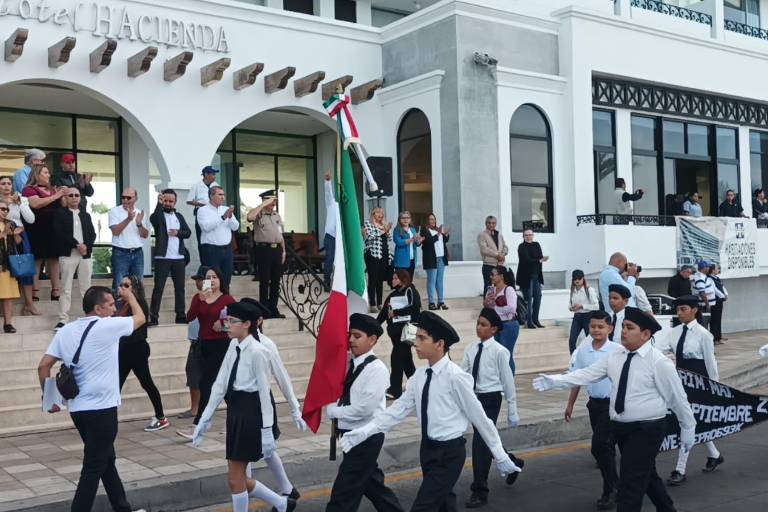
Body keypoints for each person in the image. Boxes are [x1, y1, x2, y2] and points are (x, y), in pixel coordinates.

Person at [340, 311, 521, 511]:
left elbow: (480, 419)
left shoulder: (456, 377)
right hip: (427, 450)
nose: (415, 343)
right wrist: (364, 432)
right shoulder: (419, 377)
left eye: (422, 338)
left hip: (449, 454)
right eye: (416, 336)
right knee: (444, 505)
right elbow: (395, 412)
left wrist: (500, 456)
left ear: (439, 344)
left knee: (424, 506)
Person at [533, 307, 696, 512]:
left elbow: (678, 399)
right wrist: (556, 381)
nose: (624, 331)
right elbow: (587, 375)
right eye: (623, 327)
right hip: (621, 428)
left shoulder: (659, 363)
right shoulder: (615, 356)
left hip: (647, 430)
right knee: (646, 475)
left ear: (645, 334)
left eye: (630, 327)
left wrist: (688, 428)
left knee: (630, 485)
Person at [37, 285, 147, 512]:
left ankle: (122, 507)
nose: (115, 308)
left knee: (106, 460)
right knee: (94, 467)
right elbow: (141, 318)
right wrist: (130, 297)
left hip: (78, 409)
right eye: (110, 305)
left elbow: (44, 365)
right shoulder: (106, 325)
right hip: (102, 408)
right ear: (98, 309)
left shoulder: (66, 330)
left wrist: (50, 399)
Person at [191, 301, 297, 512]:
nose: (227, 325)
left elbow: (265, 394)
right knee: (236, 477)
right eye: (226, 320)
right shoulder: (233, 346)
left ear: (248, 323)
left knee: (235, 476)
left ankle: (283, 500)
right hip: (236, 410)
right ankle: (283, 502)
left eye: (232, 321)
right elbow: (220, 384)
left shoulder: (260, 350)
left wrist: (268, 429)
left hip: (251, 411)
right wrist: (204, 418)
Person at [325, 313, 405, 512]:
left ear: (372, 340)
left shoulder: (376, 369)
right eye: (350, 335)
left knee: (343, 494)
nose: (351, 340)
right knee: (372, 485)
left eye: (357, 336)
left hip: (366, 436)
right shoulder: (351, 363)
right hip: (351, 435)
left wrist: (335, 411)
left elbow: (364, 409)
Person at [240, 298, 306, 500]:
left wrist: (295, 407)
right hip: (240, 404)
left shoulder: (267, 345)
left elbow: (282, 376)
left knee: (251, 450)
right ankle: (286, 489)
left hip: (260, 404)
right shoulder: (235, 341)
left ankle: (246, 489)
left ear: (257, 321)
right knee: (255, 449)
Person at [654, 295, 723, 487]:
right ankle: (714, 454)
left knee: (688, 422)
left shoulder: (703, 334)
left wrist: (714, 388)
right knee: (691, 421)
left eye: (683, 309)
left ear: (694, 310)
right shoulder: (674, 332)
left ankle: (680, 469)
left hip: (699, 381)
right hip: (681, 380)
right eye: (677, 310)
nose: (679, 313)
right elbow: (659, 350)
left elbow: (711, 363)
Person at [460, 308, 523, 509]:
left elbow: (507, 381)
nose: (479, 327)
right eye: (478, 323)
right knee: (487, 439)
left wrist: (512, 407)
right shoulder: (471, 348)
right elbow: (462, 374)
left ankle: (480, 490)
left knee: (480, 443)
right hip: (474, 398)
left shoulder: (499, 352)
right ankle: (512, 463)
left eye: (484, 325)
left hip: (491, 399)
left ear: (494, 329)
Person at [563, 310, 621, 510]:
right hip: (594, 404)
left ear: (610, 328)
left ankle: (614, 487)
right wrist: (570, 404)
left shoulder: (617, 350)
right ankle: (610, 490)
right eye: (593, 326)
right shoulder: (583, 350)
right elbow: (577, 378)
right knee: (607, 449)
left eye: (601, 327)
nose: (596, 330)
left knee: (599, 445)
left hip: (612, 405)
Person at [177, 266, 236, 439]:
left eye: (214, 277)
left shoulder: (227, 299)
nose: (211, 280)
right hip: (204, 346)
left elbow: (237, 321)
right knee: (222, 388)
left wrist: (223, 324)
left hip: (222, 345)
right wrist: (200, 299)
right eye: (208, 278)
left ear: (220, 280)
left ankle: (198, 426)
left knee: (206, 384)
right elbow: (189, 317)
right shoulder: (199, 298)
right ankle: (237, 420)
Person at [116, 275, 168, 432]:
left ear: (134, 288)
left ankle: (161, 417)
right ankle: (107, 417)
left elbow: (138, 322)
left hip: (137, 349)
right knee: (116, 385)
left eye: (126, 285)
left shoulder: (138, 304)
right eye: (121, 284)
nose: (122, 288)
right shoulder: (121, 304)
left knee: (146, 383)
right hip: (125, 350)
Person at [53, 188, 96, 330]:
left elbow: (92, 234)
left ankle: (89, 317)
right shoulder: (60, 214)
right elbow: (58, 233)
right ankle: (63, 319)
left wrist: (86, 246)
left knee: (86, 288)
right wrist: (76, 245)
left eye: (77, 195)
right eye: (70, 195)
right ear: (65, 197)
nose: (74, 198)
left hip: (85, 255)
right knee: (65, 288)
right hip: (68, 254)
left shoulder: (86, 215)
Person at [149, 189, 191, 326]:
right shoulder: (159, 216)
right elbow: (154, 219)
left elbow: (188, 232)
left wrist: (178, 232)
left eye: (170, 201)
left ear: (175, 202)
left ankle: (180, 315)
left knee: (180, 288)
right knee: (158, 288)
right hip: (162, 257)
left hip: (178, 257)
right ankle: (153, 316)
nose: (168, 203)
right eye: (165, 201)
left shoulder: (179, 216)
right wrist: (158, 204)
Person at [377, 269, 421, 399]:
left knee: (396, 359)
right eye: (393, 278)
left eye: (396, 278)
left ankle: (395, 389)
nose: (393, 280)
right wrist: (372, 327)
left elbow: (415, 307)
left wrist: (396, 312)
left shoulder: (410, 290)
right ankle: (417, 386)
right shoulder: (392, 295)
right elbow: (384, 313)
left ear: (403, 278)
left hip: (406, 332)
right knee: (406, 361)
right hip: (395, 334)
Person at [22, 165, 64, 302]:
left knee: (54, 259)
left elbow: (63, 205)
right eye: (45, 172)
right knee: (37, 259)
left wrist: (63, 194)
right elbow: (35, 204)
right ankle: (35, 291)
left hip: (54, 228)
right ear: (37, 175)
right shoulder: (29, 189)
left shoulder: (52, 190)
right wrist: (55, 196)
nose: (48, 175)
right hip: (37, 229)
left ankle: (55, 291)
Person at [246, 189, 286, 319]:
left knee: (276, 281)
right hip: (264, 250)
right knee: (264, 281)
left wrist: (284, 250)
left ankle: (273, 308)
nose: (273, 204)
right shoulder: (258, 213)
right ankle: (263, 309)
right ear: (264, 201)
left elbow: (280, 234)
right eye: (271, 201)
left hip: (277, 250)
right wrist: (262, 205)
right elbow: (250, 217)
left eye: (274, 201)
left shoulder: (276, 215)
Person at [0, 175, 36, 315]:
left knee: (25, 268)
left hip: (18, 235)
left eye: (9, 183)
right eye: (3, 183)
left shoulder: (20, 198)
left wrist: (20, 203)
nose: (6, 186)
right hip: (2, 236)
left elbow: (31, 219)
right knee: (4, 271)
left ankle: (29, 304)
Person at [197, 186, 239, 293]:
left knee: (226, 279)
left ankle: (225, 306)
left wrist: (229, 218)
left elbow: (235, 227)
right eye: (220, 194)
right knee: (209, 280)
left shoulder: (226, 209)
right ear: (211, 196)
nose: (223, 197)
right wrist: (222, 218)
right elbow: (206, 227)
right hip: (210, 250)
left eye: (223, 194)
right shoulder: (202, 210)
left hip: (226, 250)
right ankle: (207, 306)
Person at [108, 187, 149, 293]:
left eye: (128, 197)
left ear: (135, 198)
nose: (125, 200)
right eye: (123, 197)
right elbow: (115, 231)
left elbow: (145, 235)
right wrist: (129, 219)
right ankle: (117, 309)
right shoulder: (114, 211)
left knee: (137, 285)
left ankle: (135, 309)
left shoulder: (140, 213)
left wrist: (139, 224)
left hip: (137, 252)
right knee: (119, 285)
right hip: (120, 252)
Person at [178, 269, 207, 420]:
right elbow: (190, 316)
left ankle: (200, 408)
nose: (198, 282)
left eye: (201, 279)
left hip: (208, 341)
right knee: (193, 373)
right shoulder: (198, 297)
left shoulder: (217, 298)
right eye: (197, 279)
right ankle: (195, 408)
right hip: (196, 341)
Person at [483, 266, 519, 373]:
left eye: (493, 275)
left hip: (508, 325)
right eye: (490, 275)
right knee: (496, 355)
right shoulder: (491, 290)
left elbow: (512, 308)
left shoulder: (509, 289)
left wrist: (496, 308)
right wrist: (487, 301)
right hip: (495, 326)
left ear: (501, 276)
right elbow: (486, 306)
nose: (491, 277)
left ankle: (509, 380)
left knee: (506, 354)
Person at [362, 207, 392, 313]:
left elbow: (389, 238)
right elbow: (369, 237)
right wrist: (383, 231)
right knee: (373, 279)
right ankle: (372, 304)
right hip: (372, 254)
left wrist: (386, 230)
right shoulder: (368, 223)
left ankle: (380, 303)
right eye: (378, 212)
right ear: (373, 214)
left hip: (383, 254)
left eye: (382, 213)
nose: (380, 214)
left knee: (380, 280)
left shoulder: (382, 225)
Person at [517, 228, 547, 328]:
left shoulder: (536, 244)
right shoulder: (521, 247)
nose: (529, 236)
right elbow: (526, 260)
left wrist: (538, 260)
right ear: (523, 236)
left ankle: (535, 320)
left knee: (538, 297)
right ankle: (529, 322)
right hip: (526, 277)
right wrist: (538, 260)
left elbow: (540, 256)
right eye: (526, 235)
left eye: (530, 235)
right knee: (528, 298)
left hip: (536, 275)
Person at [186, 166, 220, 256]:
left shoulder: (216, 185)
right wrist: (205, 205)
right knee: (202, 238)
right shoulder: (197, 186)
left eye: (215, 174)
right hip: (202, 214)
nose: (214, 176)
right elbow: (189, 200)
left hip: (214, 214)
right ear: (206, 174)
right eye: (212, 174)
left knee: (215, 237)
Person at [420, 213, 450, 311]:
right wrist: (438, 234)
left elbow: (444, 240)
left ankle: (441, 302)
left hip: (441, 258)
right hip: (431, 259)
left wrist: (446, 234)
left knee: (440, 281)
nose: (432, 221)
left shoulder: (438, 229)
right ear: (427, 221)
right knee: (431, 281)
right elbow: (428, 241)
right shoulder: (424, 230)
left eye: (433, 219)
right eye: (430, 219)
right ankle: (431, 302)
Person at [0, 199, 22, 332]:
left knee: (8, 296)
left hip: (8, 265)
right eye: (2, 209)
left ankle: (8, 323)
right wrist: (3, 234)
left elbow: (18, 243)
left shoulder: (11, 224)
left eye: (6, 209)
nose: (5, 211)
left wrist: (16, 234)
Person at [568, 269, 600, 354]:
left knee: (590, 340)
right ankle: (574, 361)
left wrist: (582, 306)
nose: (577, 280)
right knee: (572, 340)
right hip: (577, 317)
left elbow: (596, 306)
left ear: (583, 279)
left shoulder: (589, 290)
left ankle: (592, 359)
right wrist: (571, 308)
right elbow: (570, 304)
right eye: (575, 279)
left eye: (579, 278)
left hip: (588, 317)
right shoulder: (572, 290)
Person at [478, 216, 509, 291]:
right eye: (489, 223)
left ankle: (498, 303)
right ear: (486, 224)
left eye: (493, 223)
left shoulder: (499, 234)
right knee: (489, 288)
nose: (491, 225)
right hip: (488, 266)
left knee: (500, 287)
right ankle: (487, 303)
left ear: (496, 224)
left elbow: (505, 247)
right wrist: (497, 255)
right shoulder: (482, 235)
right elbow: (484, 249)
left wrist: (503, 254)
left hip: (500, 265)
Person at [322, 170, 339, 289]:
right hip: (330, 236)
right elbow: (328, 193)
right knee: (330, 258)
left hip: (341, 237)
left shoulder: (346, 207)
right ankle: (326, 282)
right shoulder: (332, 203)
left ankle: (339, 283)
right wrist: (328, 182)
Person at [392, 211, 421, 279]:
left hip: (412, 260)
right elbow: (398, 242)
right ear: (399, 219)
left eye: (408, 218)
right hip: (401, 261)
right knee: (401, 283)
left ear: (410, 219)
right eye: (403, 218)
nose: (406, 220)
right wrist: (411, 239)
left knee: (409, 281)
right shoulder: (397, 230)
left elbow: (415, 244)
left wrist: (418, 241)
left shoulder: (413, 229)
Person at [709, 263, 727, 344]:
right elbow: (715, 289)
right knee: (714, 320)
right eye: (717, 269)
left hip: (720, 301)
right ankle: (714, 338)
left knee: (718, 319)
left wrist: (726, 294)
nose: (718, 270)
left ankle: (719, 337)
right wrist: (722, 296)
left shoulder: (717, 278)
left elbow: (722, 287)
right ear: (712, 270)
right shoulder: (709, 278)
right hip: (715, 301)